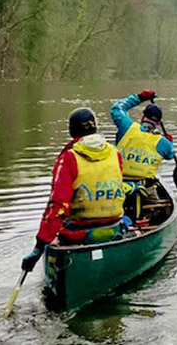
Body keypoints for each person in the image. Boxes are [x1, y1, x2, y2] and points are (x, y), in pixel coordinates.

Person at [21, 107, 127, 273]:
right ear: (95, 127)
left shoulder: (68, 158)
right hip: (113, 229)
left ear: (71, 131)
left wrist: (39, 247)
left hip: (78, 233)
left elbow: (57, 205)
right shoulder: (115, 153)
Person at [110, 89, 175, 186]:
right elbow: (170, 155)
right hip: (146, 188)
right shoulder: (163, 142)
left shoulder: (127, 127)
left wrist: (140, 97)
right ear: (158, 123)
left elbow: (116, 108)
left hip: (119, 185)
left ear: (143, 118)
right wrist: (169, 142)